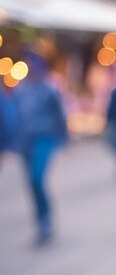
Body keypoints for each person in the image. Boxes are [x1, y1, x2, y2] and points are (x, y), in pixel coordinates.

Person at [13, 52, 68, 245]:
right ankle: (41, 221)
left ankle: (46, 221)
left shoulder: (49, 90)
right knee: (31, 183)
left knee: (37, 179)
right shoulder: (21, 90)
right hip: (25, 142)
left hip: (44, 139)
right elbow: (16, 116)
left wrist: (64, 137)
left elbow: (60, 115)